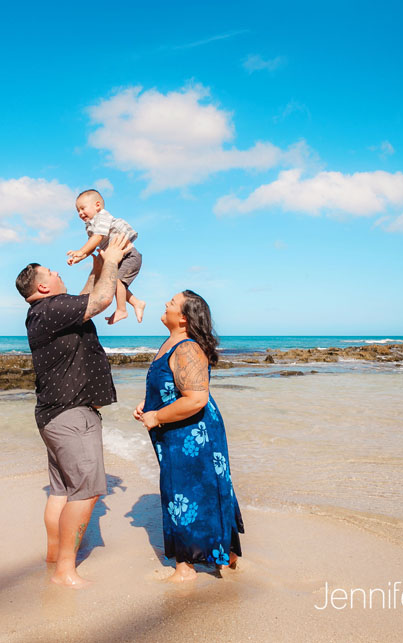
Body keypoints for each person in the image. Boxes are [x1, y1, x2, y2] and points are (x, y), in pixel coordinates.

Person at [15, 234, 133, 588]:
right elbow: (100, 300)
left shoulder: (44, 312)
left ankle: (55, 558)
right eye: (51, 272)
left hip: (53, 414)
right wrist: (111, 261)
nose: (57, 272)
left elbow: (84, 300)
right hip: (71, 413)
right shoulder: (51, 309)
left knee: (61, 491)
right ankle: (65, 571)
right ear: (43, 286)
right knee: (86, 491)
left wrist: (96, 267)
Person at [133, 290, 244, 583]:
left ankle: (186, 568)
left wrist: (157, 417)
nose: (165, 303)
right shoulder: (171, 343)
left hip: (195, 435)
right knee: (186, 490)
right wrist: (149, 404)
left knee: (187, 491)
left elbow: (196, 399)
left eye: (172, 302)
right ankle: (225, 556)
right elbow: (172, 387)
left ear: (183, 318)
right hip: (178, 432)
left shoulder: (187, 348)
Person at [66, 189, 145, 325]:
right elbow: (92, 245)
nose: (80, 213)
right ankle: (137, 303)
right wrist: (80, 257)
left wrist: (80, 250)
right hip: (117, 258)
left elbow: (97, 237)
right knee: (113, 283)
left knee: (117, 281)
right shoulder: (90, 225)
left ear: (97, 205)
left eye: (83, 208)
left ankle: (122, 310)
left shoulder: (102, 217)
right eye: (78, 211)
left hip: (129, 256)